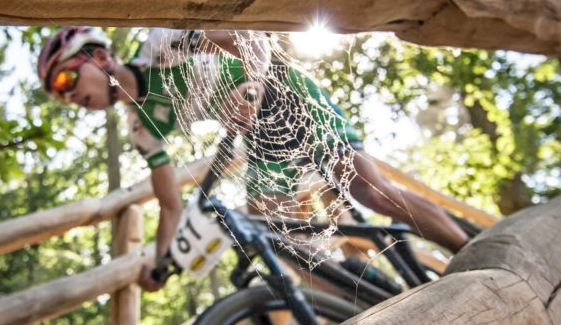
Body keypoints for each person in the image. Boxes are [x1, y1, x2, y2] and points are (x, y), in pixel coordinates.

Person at [36, 27, 468, 290]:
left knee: (371, 192)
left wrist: (253, 86)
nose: (70, 96)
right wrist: (161, 261)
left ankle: (473, 252)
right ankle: (369, 296)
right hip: (259, 138)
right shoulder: (141, 129)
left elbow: (251, 39)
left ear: (99, 56)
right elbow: (170, 205)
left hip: (285, 93)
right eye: (60, 96)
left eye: (66, 77)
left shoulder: (162, 44)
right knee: (284, 243)